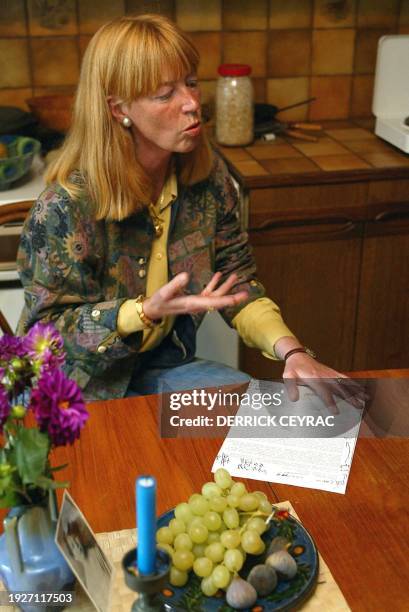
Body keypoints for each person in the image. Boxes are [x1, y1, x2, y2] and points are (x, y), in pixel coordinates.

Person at [17, 14, 361, 408]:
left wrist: (293, 352)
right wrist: (140, 313)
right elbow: (46, 337)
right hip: (74, 385)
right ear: (118, 109)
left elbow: (238, 282)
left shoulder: (207, 180)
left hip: (162, 369)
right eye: (165, 94)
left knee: (257, 411)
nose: (192, 103)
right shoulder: (63, 208)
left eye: (192, 83)